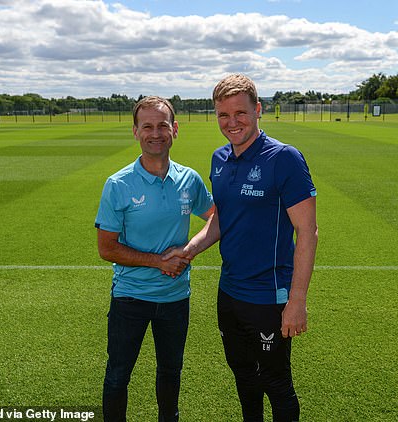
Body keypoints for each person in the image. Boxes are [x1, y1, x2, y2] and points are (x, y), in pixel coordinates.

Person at [164, 74, 318, 421]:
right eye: (223, 115)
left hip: (269, 297)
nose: (232, 123)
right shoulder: (219, 159)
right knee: (245, 378)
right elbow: (221, 219)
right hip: (230, 294)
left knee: (276, 383)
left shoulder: (284, 159)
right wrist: (189, 250)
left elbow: (308, 231)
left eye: (240, 114)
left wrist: (297, 301)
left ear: (258, 110)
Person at [95, 96, 214, 422]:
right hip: (130, 297)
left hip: (176, 298)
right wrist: (158, 262)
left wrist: (188, 251)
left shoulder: (190, 179)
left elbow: (216, 216)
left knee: (170, 372)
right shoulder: (118, 184)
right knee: (119, 374)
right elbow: (107, 248)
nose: (155, 133)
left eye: (163, 125)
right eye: (147, 126)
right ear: (135, 132)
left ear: (175, 129)